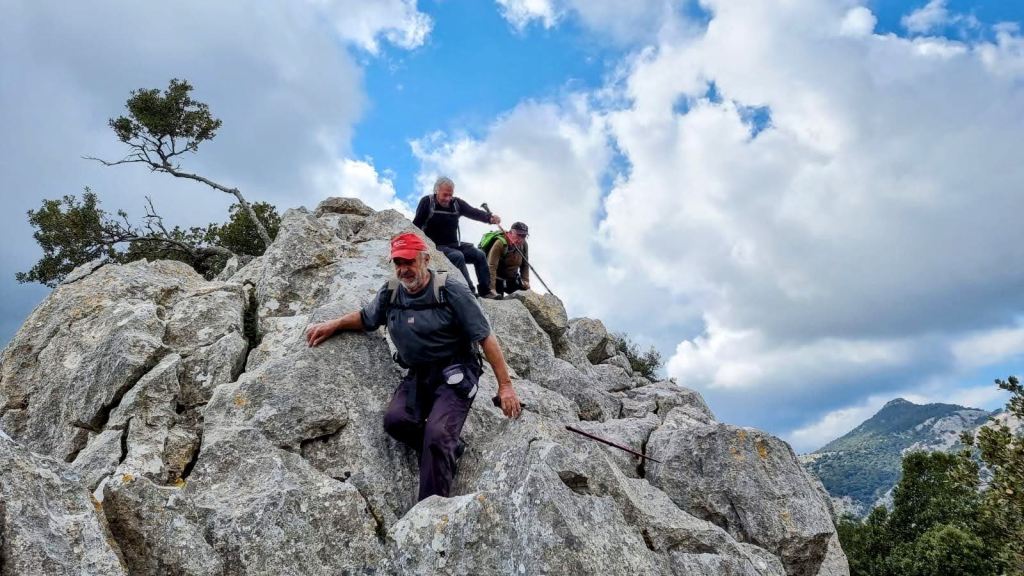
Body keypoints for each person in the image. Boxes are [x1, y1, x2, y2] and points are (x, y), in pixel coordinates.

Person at [305, 232, 522, 501]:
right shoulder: (392, 291)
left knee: (437, 433)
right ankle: (449, 448)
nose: (403, 269)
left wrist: (506, 386)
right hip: (419, 373)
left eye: (409, 261)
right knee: (396, 422)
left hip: (457, 370)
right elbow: (367, 318)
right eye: (397, 262)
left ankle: (432, 509)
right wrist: (334, 324)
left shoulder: (451, 290)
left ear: (425, 259)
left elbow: (485, 337)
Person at [413, 176, 501, 298]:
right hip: (435, 247)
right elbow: (416, 225)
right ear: (436, 191)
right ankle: (469, 291)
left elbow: (473, 212)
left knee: (479, 254)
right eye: (445, 195)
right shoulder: (427, 202)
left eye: (450, 195)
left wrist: (489, 218)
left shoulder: (456, 204)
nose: (448, 198)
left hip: (454, 245)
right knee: (457, 256)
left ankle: (486, 291)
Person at [485, 221, 531, 297]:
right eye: (518, 235)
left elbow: (525, 264)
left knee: (526, 296)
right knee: (497, 300)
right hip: (496, 279)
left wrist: (525, 281)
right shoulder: (500, 243)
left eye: (524, 236)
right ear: (511, 232)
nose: (521, 239)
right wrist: (492, 289)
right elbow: (491, 266)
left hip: (511, 279)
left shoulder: (524, 245)